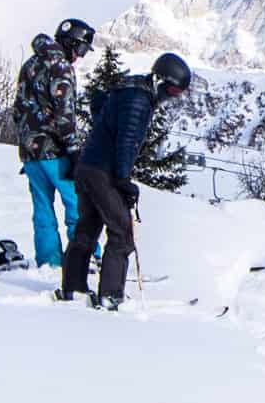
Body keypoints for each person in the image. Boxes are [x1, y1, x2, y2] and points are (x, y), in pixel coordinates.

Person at [58, 52, 191, 310]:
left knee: (88, 226)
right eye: (174, 90)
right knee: (122, 233)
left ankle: (73, 288)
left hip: (89, 167)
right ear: (162, 80)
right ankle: (111, 294)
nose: (173, 96)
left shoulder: (129, 91)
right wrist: (123, 180)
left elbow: (100, 108)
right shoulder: (139, 100)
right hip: (103, 172)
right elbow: (126, 142)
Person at [12, 18, 96, 267]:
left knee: (42, 208)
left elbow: (18, 109)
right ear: (71, 43)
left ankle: (49, 262)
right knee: (77, 204)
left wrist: (27, 140)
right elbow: (64, 112)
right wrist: (73, 149)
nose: (79, 57)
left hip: (31, 151)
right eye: (80, 49)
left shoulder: (31, 63)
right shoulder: (60, 66)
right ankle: (86, 259)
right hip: (56, 150)